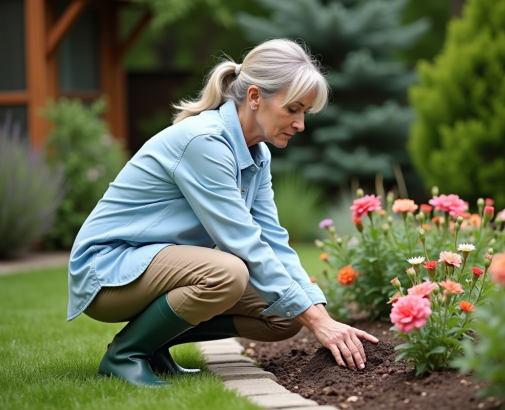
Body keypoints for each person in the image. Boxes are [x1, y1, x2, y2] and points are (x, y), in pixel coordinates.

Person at [68, 39, 378, 387]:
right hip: (109, 270)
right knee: (229, 272)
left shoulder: (257, 153)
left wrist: (318, 312)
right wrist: (318, 322)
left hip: (154, 268)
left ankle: (154, 342)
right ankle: (125, 355)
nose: (301, 123)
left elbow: (272, 239)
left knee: (286, 315)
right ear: (255, 97)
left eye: (304, 112)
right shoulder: (205, 142)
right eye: (293, 109)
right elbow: (241, 242)